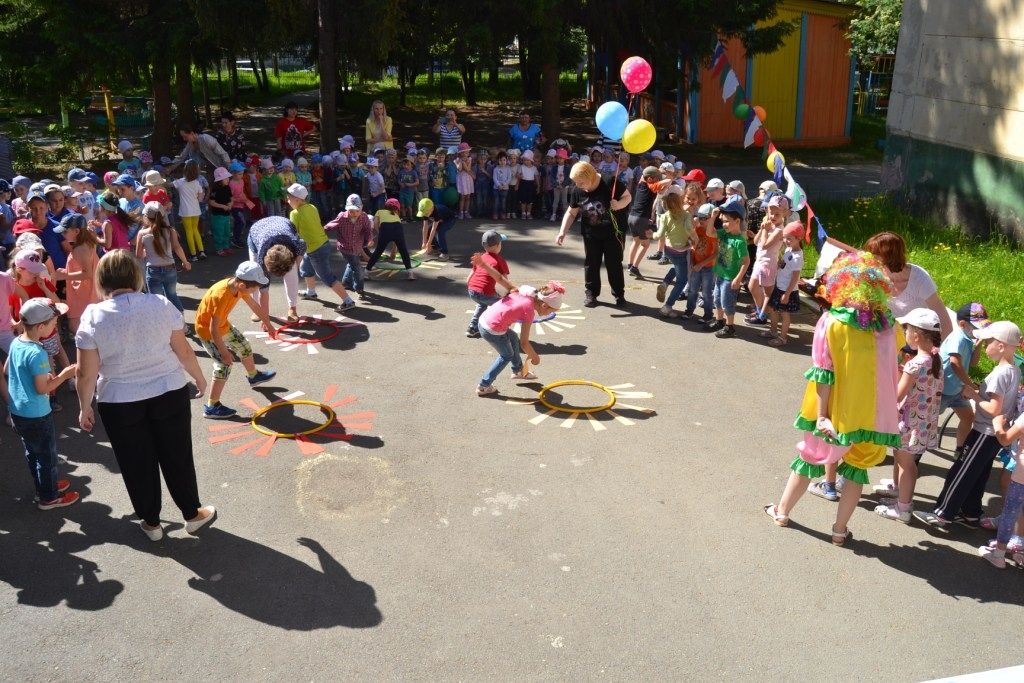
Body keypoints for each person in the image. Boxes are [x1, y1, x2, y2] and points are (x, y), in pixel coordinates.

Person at [75, 250, 214, 540]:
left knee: (135, 462)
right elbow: (183, 350)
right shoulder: (160, 304)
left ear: (102, 280)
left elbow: (85, 373)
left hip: (119, 399)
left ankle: (151, 523)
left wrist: (84, 406)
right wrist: (199, 378)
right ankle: (192, 514)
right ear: (135, 275)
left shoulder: (93, 315)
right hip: (168, 390)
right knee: (177, 455)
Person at [764, 252, 900, 545]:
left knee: (809, 457)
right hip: (872, 412)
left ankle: (782, 512)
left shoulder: (832, 322)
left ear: (842, 283)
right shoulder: (889, 325)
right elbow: (892, 369)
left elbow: (824, 373)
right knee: (856, 469)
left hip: (835, 408)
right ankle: (839, 530)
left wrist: (822, 414)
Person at [914, 321, 1022, 529]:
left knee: (961, 472)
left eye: (988, 342)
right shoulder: (1014, 370)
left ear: (1001, 346)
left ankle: (943, 513)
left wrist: (973, 394)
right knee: (978, 474)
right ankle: (971, 512)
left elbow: (994, 409)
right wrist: (978, 392)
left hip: (984, 432)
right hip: (993, 435)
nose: (984, 345)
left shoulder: (1000, 373)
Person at [872, 308, 944, 523]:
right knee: (905, 461)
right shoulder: (935, 360)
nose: (905, 333)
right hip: (922, 422)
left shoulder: (915, 364)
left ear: (916, 335)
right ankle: (900, 496)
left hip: (909, 422)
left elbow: (898, 395)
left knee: (906, 464)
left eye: (906, 330)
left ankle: (903, 508)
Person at [7, 298, 78, 509]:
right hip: (37, 414)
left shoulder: (17, 342)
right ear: (40, 327)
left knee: (33, 453)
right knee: (47, 457)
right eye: (53, 324)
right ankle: (50, 497)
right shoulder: (37, 352)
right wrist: (64, 375)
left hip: (18, 411)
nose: (55, 327)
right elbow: (43, 389)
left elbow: (8, 370)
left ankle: (44, 487)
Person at [195, 261, 278, 420]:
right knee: (223, 365)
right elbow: (213, 329)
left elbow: (254, 305)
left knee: (243, 346)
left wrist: (268, 324)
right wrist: (224, 352)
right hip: (208, 332)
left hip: (222, 325)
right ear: (242, 285)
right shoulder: (221, 295)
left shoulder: (240, 287)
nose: (256, 291)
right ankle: (212, 406)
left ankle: (254, 376)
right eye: (254, 289)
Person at [556, 161, 631, 308]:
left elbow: (628, 197)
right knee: (591, 264)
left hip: (614, 233)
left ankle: (619, 294)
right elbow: (571, 212)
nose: (578, 185)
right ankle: (591, 294)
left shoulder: (609, 182)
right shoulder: (578, 191)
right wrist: (562, 232)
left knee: (614, 264)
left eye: (581, 182)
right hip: (591, 233)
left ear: (590, 176)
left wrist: (619, 204)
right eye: (576, 182)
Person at [476, 281, 564, 396]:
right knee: (507, 355)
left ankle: (518, 371)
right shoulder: (529, 310)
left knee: (513, 337)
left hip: (485, 320)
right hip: (492, 330)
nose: (549, 314)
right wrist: (535, 357)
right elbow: (524, 343)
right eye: (550, 311)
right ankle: (483, 386)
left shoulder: (526, 294)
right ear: (544, 305)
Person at [286, 184, 356, 308]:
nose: (287, 200)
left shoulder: (294, 213)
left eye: (289, 198)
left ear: (297, 199)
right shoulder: (312, 207)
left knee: (327, 277)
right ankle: (311, 292)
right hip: (322, 244)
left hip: (315, 249)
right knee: (306, 269)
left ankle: (348, 301)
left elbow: (293, 232)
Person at [937, 303, 990, 456]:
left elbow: (972, 363)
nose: (980, 330)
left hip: (957, 390)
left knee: (968, 417)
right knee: (927, 422)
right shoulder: (958, 338)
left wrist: (978, 344)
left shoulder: (967, 338)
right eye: (977, 327)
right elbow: (955, 363)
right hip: (943, 390)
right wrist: (971, 385)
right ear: (962, 324)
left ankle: (960, 450)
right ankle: (912, 452)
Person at [979, 403, 1024, 567]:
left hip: (1021, 474)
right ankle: (1021, 552)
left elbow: (1005, 439)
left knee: (1010, 512)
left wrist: (997, 423)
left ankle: (998, 555)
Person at [246, 215, 306, 323]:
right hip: (257, 231)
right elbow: (263, 291)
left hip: (283, 225)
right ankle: (257, 309)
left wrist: (295, 265)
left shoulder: (298, 245)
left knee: (292, 273)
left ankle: (292, 308)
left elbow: (302, 248)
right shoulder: (260, 262)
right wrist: (265, 318)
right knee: (255, 278)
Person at [706, 198, 751, 338]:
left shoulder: (740, 242)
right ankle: (719, 321)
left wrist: (738, 279)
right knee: (717, 300)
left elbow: (746, 262)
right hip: (720, 275)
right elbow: (709, 233)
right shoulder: (725, 234)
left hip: (730, 279)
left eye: (726, 221)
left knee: (727, 303)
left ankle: (730, 327)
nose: (723, 224)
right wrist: (713, 217)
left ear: (737, 221)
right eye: (723, 221)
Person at [135, 202, 190, 314]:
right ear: (163, 215)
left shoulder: (142, 233)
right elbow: (177, 247)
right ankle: (181, 320)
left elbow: (139, 255)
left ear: (146, 217)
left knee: (156, 299)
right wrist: (185, 262)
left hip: (153, 270)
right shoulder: (170, 231)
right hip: (170, 268)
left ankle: (162, 320)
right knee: (172, 295)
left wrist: (146, 252)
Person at [651, 185, 695, 318]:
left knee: (677, 267)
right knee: (682, 281)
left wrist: (651, 235)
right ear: (681, 201)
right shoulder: (686, 215)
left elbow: (659, 235)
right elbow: (689, 229)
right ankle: (667, 306)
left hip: (668, 250)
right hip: (681, 251)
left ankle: (665, 283)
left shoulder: (665, 216)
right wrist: (695, 239)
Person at [53, 213, 101, 334]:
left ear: (77, 231)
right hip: (91, 291)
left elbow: (88, 274)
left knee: (76, 328)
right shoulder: (88, 243)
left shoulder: (79, 249)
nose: (62, 234)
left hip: (83, 294)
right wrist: (67, 272)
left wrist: (65, 276)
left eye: (65, 231)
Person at [762, 222, 805, 346]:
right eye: (785, 238)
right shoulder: (788, 249)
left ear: (799, 238)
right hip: (779, 286)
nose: (786, 241)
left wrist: (787, 294)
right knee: (773, 309)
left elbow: (795, 278)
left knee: (784, 315)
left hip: (787, 290)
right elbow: (785, 265)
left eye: (789, 238)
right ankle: (773, 331)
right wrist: (780, 264)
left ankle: (782, 338)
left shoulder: (797, 257)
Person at [746, 195, 787, 325]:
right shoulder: (769, 225)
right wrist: (762, 229)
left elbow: (765, 245)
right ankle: (761, 310)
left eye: (777, 214)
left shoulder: (779, 230)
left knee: (768, 292)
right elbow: (756, 242)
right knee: (752, 286)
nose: (773, 216)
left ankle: (762, 315)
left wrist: (765, 230)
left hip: (768, 264)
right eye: (771, 213)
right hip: (760, 261)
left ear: (784, 213)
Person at [466, 230, 512, 338]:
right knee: (502, 306)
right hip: (485, 293)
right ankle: (499, 329)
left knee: (482, 304)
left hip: (472, 291)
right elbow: (504, 281)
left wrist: (471, 286)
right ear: (498, 245)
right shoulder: (500, 261)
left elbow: (470, 276)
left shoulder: (480, 257)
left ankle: (472, 328)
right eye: (501, 243)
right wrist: (509, 294)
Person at [682, 202, 718, 323]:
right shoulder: (698, 229)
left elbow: (716, 253)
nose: (701, 220)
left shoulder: (713, 233)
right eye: (699, 217)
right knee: (692, 290)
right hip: (696, 265)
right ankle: (689, 310)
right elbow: (693, 246)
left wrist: (701, 264)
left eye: (704, 218)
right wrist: (692, 261)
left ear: (712, 218)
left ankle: (708, 314)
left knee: (706, 292)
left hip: (708, 268)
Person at [366, 198, 416, 281]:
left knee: (378, 251)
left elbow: (375, 223)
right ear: (397, 209)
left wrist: (380, 232)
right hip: (398, 228)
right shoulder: (396, 216)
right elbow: (396, 238)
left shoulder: (379, 211)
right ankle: (410, 274)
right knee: (403, 251)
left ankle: (366, 272)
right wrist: (394, 251)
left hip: (385, 228)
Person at [626, 166, 661, 278]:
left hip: (631, 217)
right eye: (657, 178)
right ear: (650, 179)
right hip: (641, 219)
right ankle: (634, 268)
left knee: (636, 241)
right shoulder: (650, 186)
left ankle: (630, 265)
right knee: (645, 244)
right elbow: (667, 182)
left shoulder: (641, 184)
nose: (659, 180)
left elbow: (644, 176)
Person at [165, 123, 231, 174]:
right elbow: (182, 157)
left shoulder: (206, 139)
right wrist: (170, 168)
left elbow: (223, 154)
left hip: (220, 167)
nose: (184, 139)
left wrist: (229, 168)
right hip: (206, 170)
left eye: (185, 136)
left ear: (192, 133)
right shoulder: (190, 144)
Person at [173, 160, 206, 260]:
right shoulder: (197, 183)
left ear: (185, 170)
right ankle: (201, 251)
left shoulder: (179, 182)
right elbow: (200, 198)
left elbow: (169, 184)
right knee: (195, 230)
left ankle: (193, 254)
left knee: (189, 231)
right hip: (196, 210)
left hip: (185, 212)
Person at [208, 167, 234, 256]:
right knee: (219, 233)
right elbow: (211, 202)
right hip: (217, 215)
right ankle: (219, 248)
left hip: (226, 214)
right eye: (225, 178)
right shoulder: (215, 189)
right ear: (219, 180)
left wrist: (230, 204)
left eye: (228, 177)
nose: (228, 179)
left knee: (227, 232)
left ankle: (226, 247)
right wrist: (222, 206)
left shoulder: (228, 187)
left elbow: (231, 198)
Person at [516, 150, 539, 220]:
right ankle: (523, 213)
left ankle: (528, 213)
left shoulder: (534, 168)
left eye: (527, 160)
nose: (526, 162)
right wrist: (517, 184)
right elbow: (518, 176)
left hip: (531, 185)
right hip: (523, 184)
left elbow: (536, 177)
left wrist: (538, 186)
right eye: (524, 160)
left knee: (530, 200)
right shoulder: (521, 167)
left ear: (531, 160)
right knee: (523, 200)